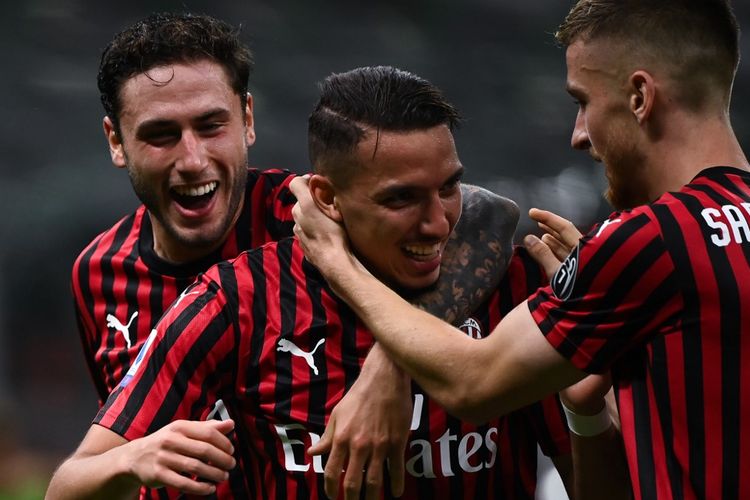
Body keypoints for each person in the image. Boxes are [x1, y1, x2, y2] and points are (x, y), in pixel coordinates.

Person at [47, 66, 580, 499]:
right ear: (116, 142)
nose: (192, 160)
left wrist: (389, 364)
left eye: (210, 126)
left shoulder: (302, 210)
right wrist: (133, 457)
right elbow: (73, 481)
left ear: (246, 120)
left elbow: (488, 216)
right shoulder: (211, 292)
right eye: (162, 134)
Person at [289, 1, 750, 499]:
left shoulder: (647, 241)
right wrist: (586, 411)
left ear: (639, 96)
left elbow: (473, 383)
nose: (578, 135)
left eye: (582, 101)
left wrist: (337, 263)